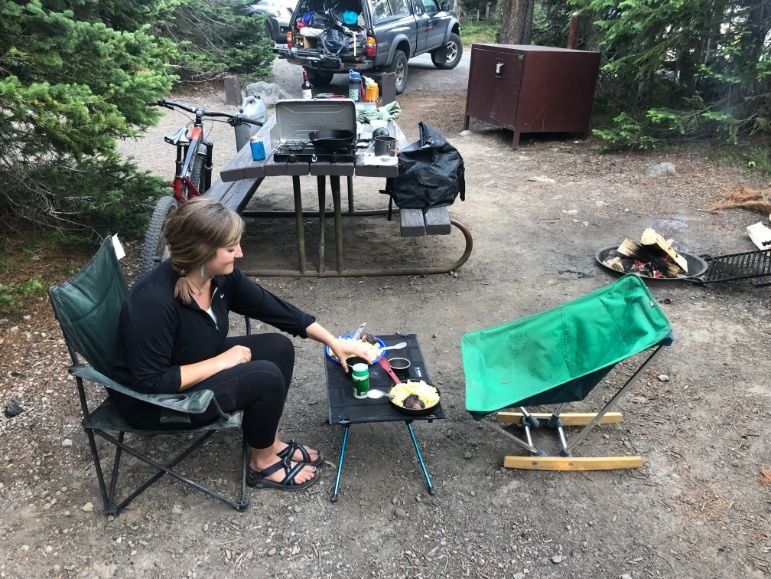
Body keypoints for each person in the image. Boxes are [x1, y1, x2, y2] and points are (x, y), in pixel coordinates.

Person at [111, 197, 375, 491]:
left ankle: (269, 444)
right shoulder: (154, 302)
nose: (240, 253)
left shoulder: (215, 277)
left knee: (278, 347)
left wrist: (334, 342)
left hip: (189, 363)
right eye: (230, 248)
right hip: (158, 404)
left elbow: (275, 309)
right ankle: (261, 464)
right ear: (201, 251)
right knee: (264, 377)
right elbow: (151, 383)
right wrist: (223, 361)